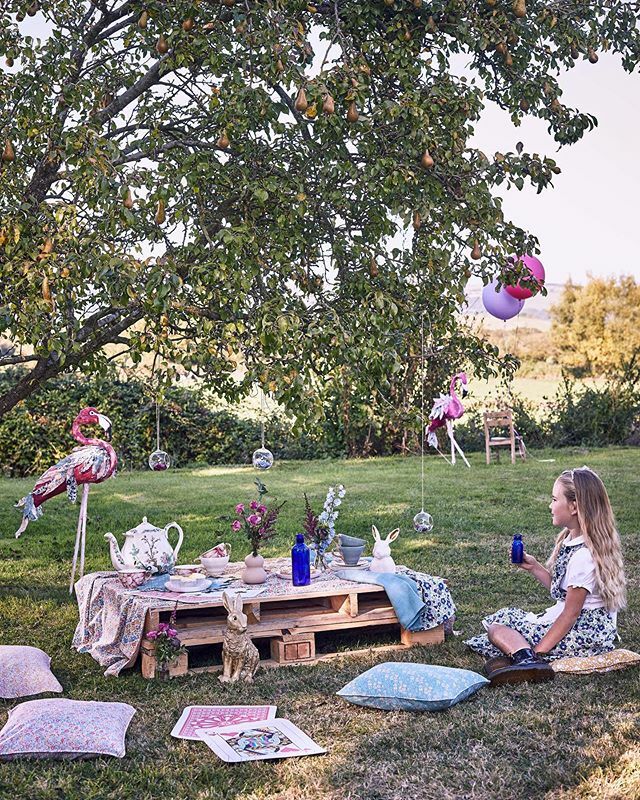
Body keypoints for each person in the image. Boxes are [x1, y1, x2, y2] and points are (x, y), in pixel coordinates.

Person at [465, 467, 626, 682]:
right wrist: (535, 568)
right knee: (502, 623)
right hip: (579, 625)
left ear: (574, 506)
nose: (550, 506)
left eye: (554, 499)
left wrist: (540, 650)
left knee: (497, 629)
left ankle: (530, 661)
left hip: (582, 632)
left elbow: (570, 614)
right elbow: (563, 593)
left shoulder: (583, 556)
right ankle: (524, 656)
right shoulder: (572, 540)